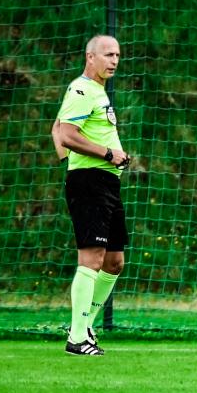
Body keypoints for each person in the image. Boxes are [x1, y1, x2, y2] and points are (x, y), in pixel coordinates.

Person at [52, 34, 131, 355]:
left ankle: (85, 327)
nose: (114, 61)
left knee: (114, 262)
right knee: (92, 258)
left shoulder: (97, 91)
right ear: (90, 57)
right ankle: (77, 337)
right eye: (108, 54)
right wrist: (106, 154)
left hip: (107, 183)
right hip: (90, 181)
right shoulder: (82, 89)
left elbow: (57, 127)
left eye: (118, 55)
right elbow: (65, 134)